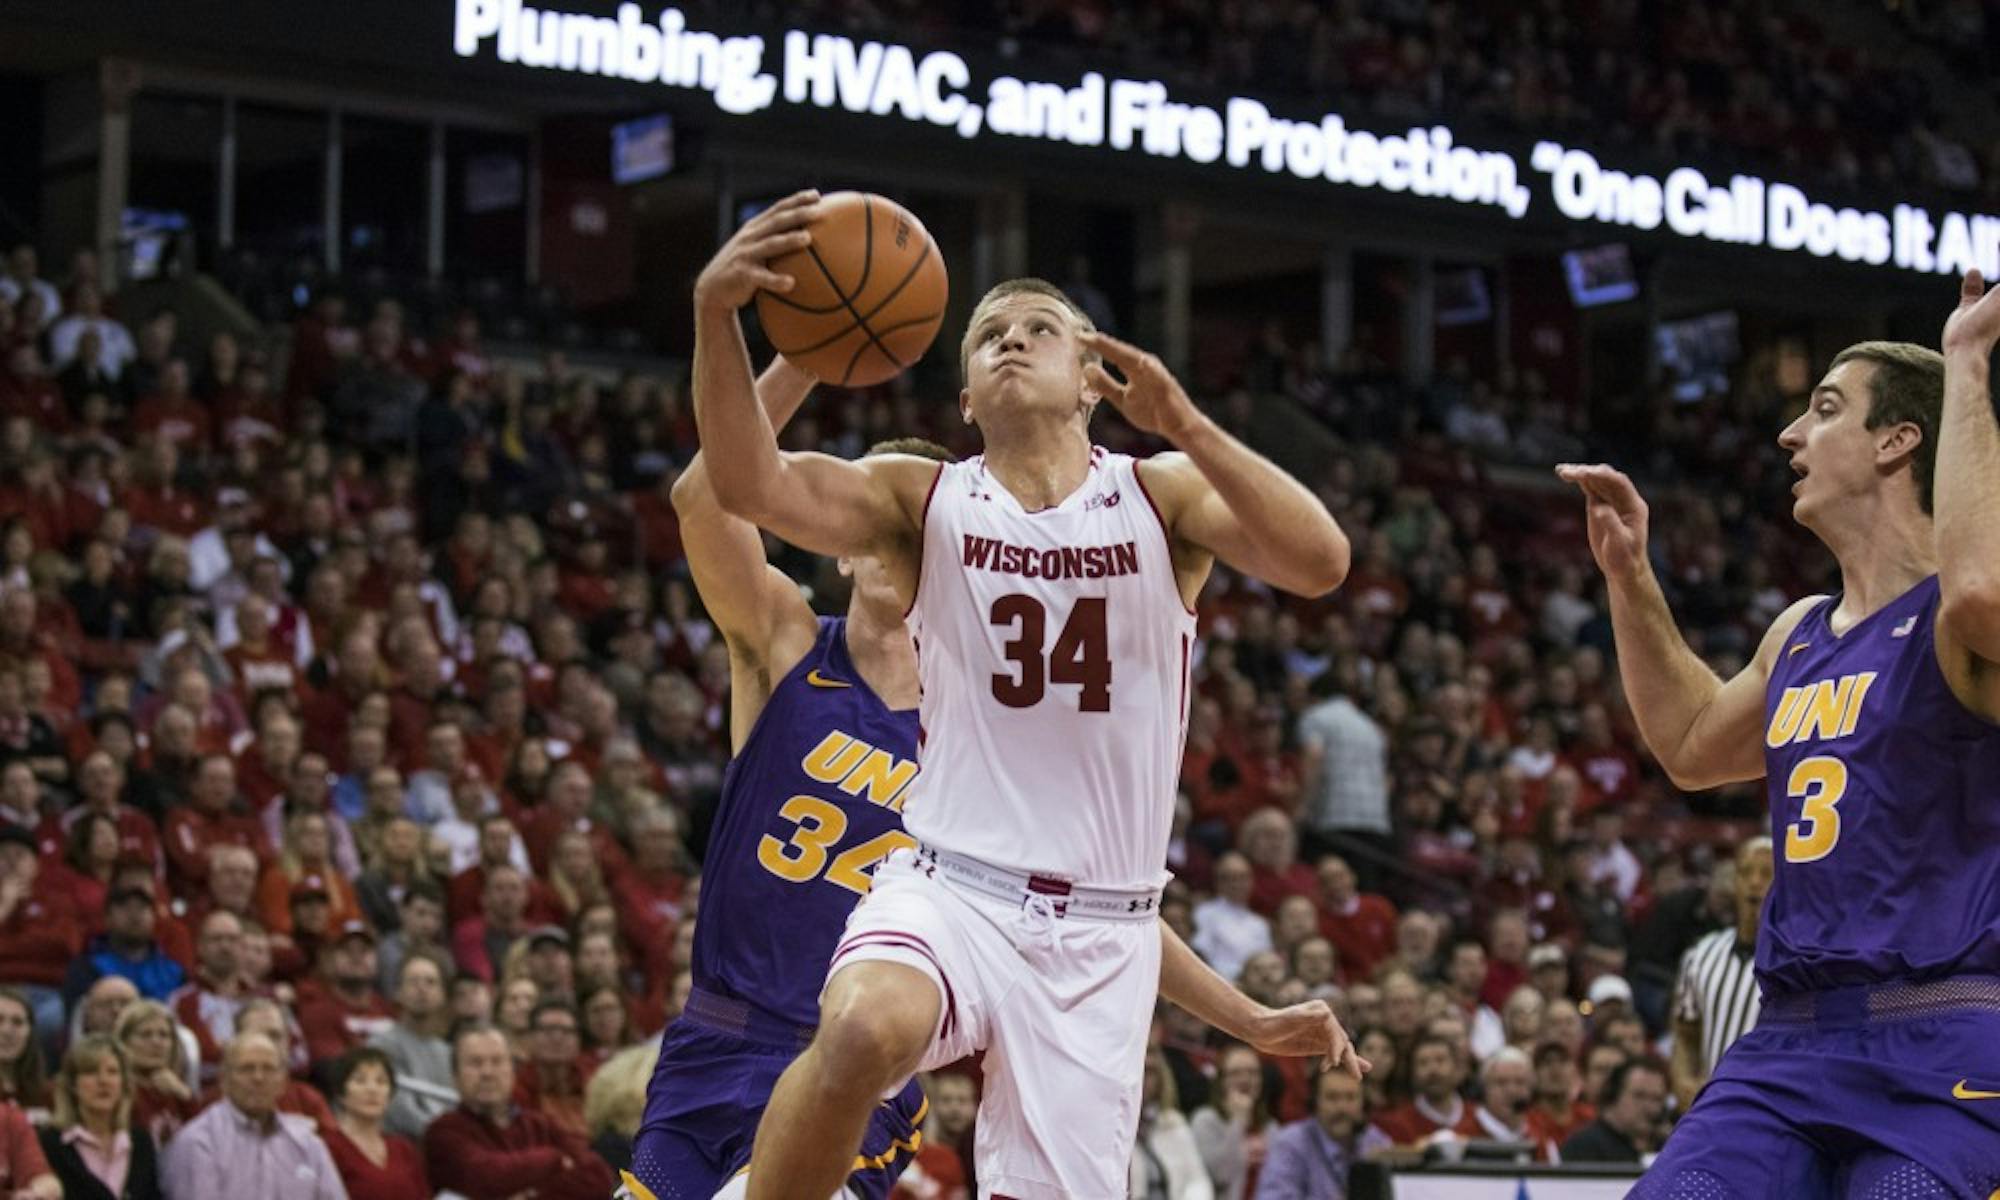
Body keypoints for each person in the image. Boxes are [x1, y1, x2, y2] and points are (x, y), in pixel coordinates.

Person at [648, 220, 1360, 1200]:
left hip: (1103, 928)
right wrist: (715, 316)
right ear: (967, 396)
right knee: (861, 1028)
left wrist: (1186, 421)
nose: (1011, 340)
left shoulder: (1159, 495)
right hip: (951, 887)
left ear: (1089, 380)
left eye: (1039, 328)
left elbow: (1321, 564)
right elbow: (741, 483)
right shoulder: (926, 497)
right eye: (989, 336)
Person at [1561, 272, 2000, 1194]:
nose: (1790, 433)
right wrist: (1631, 577)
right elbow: (1687, 746)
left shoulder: (1960, 622)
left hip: (1947, 1027)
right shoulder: (1799, 630)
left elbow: (1982, 593)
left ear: (1897, 439)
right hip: (1791, 1041)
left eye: (1825, 408)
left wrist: (1965, 362)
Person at [423, 1023, 615, 1200]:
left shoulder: (540, 1123)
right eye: (475, 1063)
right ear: (455, 1076)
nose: (487, 1073)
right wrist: (553, 1158)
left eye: (497, 1061)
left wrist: (533, 1194)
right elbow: (487, 1178)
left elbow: (599, 1177)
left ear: (512, 1071)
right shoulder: (443, 1132)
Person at [161, 1031, 348, 1199]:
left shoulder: (308, 1143)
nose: (258, 1078)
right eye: (246, 1069)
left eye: (268, 1069)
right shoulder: (198, 1142)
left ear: (283, 1082)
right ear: (224, 1080)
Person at [1667, 836, 1772, 1111]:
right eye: (1745, 872)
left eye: (1767, 873)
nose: (1755, 882)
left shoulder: (1802, 962)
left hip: (1770, 1110)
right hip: (1710, 1110)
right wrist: (1683, 1082)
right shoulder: (1702, 954)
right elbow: (1684, 1033)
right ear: (1733, 883)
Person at [38, 1034, 163, 1200]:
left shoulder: (140, 1141)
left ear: (124, 1083)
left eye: (112, 1072)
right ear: (73, 1084)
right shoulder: (50, 1143)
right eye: (91, 1072)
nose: (103, 1081)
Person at [365, 951, 457, 1138]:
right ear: (398, 992)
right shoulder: (381, 1046)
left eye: (430, 982)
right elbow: (400, 1113)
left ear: (442, 995)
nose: (422, 989)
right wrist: (449, 1137)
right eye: (413, 981)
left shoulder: (449, 1053)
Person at [1251, 1068, 1377, 1200]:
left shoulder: (1375, 1142)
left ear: (1364, 1104)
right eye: (1332, 1097)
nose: (1342, 1107)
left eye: (1350, 1097)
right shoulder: (1290, 1144)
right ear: (1314, 1102)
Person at [323, 1047, 429, 1200]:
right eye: (360, 1080)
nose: (372, 1089)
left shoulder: (404, 1149)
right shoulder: (328, 1147)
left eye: (381, 1081)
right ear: (341, 1093)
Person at [1557, 1057, 1667, 1165]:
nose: (1650, 1107)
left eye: (1656, 1099)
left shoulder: (1667, 1148)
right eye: (1639, 1096)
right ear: (1615, 1095)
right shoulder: (1583, 1147)